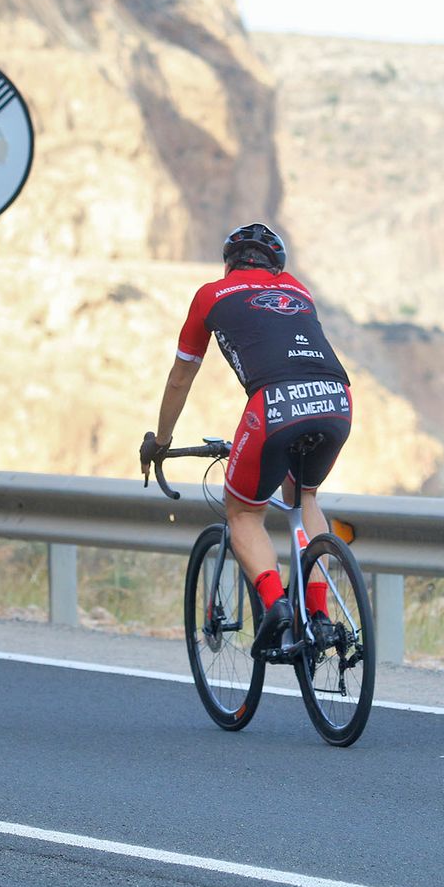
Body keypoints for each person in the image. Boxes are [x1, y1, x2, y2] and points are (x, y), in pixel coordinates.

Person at [141, 223, 353, 654]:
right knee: (305, 497)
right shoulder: (299, 289)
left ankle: (275, 605)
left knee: (242, 511)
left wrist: (161, 440)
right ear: (277, 265)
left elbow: (182, 376)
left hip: (273, 404)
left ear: (228, 264)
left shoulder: (211, 294)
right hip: (338, 399)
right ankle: (319, 614)